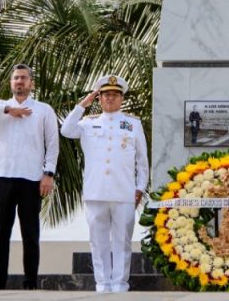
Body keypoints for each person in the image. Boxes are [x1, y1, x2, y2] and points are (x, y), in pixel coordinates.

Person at [0, 63, 59, 290]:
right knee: (0, 234)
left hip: (31, 179)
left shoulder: (44, 110)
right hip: (3, 178)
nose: (19, 81)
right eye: (16, 78)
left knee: (30, 235)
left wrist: (48, 174)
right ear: (11, 82)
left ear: (31, 83)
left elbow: (52, 144)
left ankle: (30, 283)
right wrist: (9, 110)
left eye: (23, 78)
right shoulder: (0, 109)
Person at [60, 75, 148, 294]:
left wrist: (140, 187)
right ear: (98, 98)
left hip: (124, 191)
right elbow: (66, 131)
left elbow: (142, 160)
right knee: (98, 242)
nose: (111, 98)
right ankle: (102, 284)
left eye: (115, 95)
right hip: (96, 191)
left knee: (122, 241)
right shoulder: (88, 123)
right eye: (106, 94)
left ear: (122, 98)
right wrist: (82, 105)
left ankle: (120, 284)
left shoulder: (133, 124)